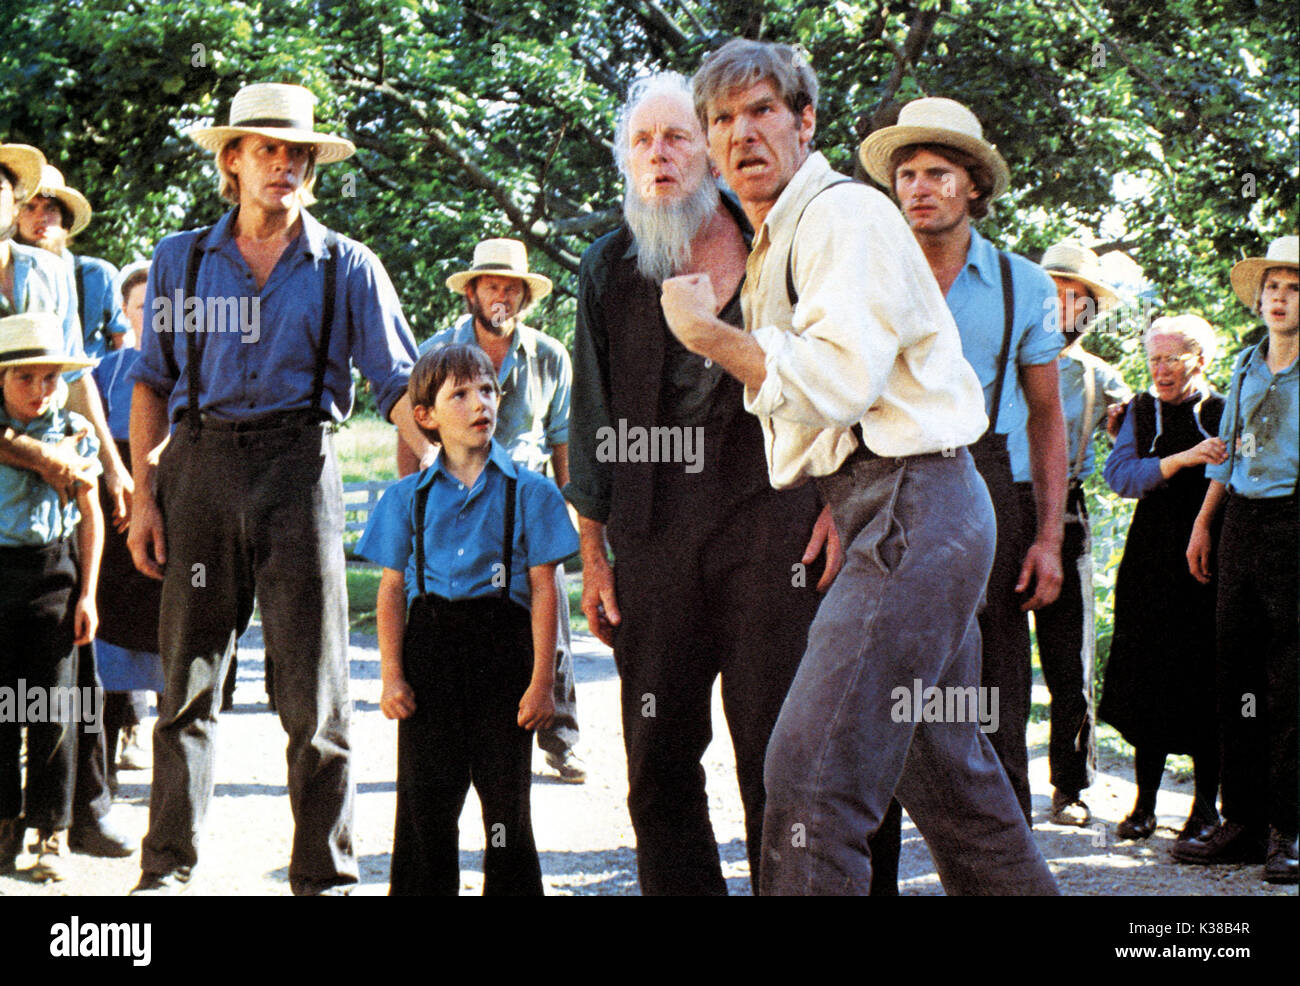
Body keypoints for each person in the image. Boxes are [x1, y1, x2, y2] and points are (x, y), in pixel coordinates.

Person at [661, 38, 1058, 895]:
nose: (742, 134)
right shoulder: (785, 234)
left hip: (917, 507)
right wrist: (842, 507)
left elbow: (836, 381)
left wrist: (708, 336)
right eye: (722, 119)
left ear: (805, 123)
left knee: (810, 785)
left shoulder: (841, 215)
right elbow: (831, 418)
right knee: (954, 787)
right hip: (907, 504)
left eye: (763, 110)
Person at [566, 72, 900, 895]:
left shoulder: (780, 245)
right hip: (652, 531)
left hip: (775, 517)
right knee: (658, 758)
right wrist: (595, 556)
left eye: (677, 136)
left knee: (784, 748)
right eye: (641, 141)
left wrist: (836, 502)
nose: (659, 155)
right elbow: (592, 419)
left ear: (712, 153)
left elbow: (849, 377)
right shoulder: (608, 268)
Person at [126, 82, 428, 895]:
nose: (284, 165)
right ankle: (166, 869)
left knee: (316, 693)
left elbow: (398, 383)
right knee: (184, 686)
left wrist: (441, 458)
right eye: (267, 149)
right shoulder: (180, 259)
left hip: (301, 469)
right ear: (232, 159)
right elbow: (149, 382)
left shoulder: (347, 265)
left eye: (297, 153)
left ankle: (323, 875)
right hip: (200, 467)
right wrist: (142, 498)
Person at [860, 98, 1068, 822]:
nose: (919, 187)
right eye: (907, 174)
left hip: (988, 485)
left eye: (938, 173)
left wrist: (1048, 538)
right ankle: (874, 846)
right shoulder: (867, 279)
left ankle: (1002, 855)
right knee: (873, 674)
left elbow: (1047, 418)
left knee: (995, 688)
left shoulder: (1025, 286)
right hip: (884, 485)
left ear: (973, 184)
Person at [359, 343, 578, 895]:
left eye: (487, 390)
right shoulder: (406, 498)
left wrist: (541, 682)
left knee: (506, 809)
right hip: (429, 655)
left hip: (502, 659)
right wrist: (392, 674)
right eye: (460, 393)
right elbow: (390, 592)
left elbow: (545, 587)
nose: (480, 402)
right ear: (425, 417)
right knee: (424, 808)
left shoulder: (531, 491)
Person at [397, 238, 585, 784]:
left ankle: (559, 734)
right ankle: (453, 730)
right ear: (472, 292)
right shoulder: (435, 352)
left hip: (526, 497)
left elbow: (562, 440)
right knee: (452, 609)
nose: (500, 297)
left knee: (548, 610)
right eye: (491, 286)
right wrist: (414, 500)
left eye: (511, 288)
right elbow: (411, 427)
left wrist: (569, 508)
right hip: (455, 496)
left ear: (524, 297)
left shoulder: (549, 355)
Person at [1, 143, 136, 861]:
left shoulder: (52, 274)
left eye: (9, 194)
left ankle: (74, 813)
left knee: (66, 674)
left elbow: (74, 376)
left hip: (52, 528)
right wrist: (37, 455)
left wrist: (110, 465)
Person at [1179, 234, 1298, 885]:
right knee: (1239, 678)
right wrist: (1204, 522)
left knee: (1291, 683)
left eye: (1294, 288)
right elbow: (1229, 452)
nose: (1279, 298)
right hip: (1240, 527)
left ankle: (1290, 830)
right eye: (1272, 287)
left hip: (1295, 525)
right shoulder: (1248, 364)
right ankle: (1244, 822)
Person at [1010, 241, 1131, 826]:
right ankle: (999, 790)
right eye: (1055, 293)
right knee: (994, 658)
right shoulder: (1003, 357)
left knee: (1070, 663)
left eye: (1076, 297)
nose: (1065, 306)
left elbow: (1143, 429)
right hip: (1003, 504)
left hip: (1069, 514)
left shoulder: (1103, 377)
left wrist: (1126, 423)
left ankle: (1070, 787)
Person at [1100, 314, 1225, 845]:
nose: (1161, 370)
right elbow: (1119, 475)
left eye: (1172, 358)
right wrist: (1180, 460)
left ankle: (1205, 810)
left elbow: (1232, 466)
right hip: (1150, 554)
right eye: (1154, 359)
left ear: (1199, 359)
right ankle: (1144, 804)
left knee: (1204, 675)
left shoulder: (1222, 409)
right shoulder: (1139, 411)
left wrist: (1191, 458)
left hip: (1209, 552)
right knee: (1148, 672)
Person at [0, 311, 102, 882]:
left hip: (53, 575)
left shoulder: (71, 431)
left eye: (50, 378)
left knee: (50, 707)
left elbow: (90, 515)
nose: (39, 391)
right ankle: (2, 825)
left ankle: (50, 832)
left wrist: (87, 593)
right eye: (24, 379)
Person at [90, 261, 162, 789]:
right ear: (127, 312)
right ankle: (106, 755)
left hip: (176, 509)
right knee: (111, 636)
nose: (152, 313)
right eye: (141, 304)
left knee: (175, 631)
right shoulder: (104, 371)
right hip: (117, 513)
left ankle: (174, 763)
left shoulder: (199, 367)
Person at [15, 164, 132, 358]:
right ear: (16, 217)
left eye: (50, 208)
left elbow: (125, 345)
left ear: (65, 220)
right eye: (30, 208)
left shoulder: (97, 274)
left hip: (93, 383)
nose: (41, 217)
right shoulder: (8, 276)